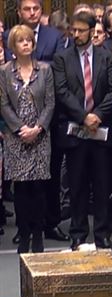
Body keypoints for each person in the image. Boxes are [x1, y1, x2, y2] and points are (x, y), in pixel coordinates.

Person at [52, 11, 112, 251]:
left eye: (81, 30)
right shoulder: (62, 58)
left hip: (101, 132)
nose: (76, 34)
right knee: (77, 185)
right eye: (74, 30)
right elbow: (62, 92)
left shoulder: (106, 57)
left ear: (92, 31)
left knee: (102, 186)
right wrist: (84, 117)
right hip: (75, 132)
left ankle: (102, 235)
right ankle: (78, 234)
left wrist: (98, 115)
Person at [0, 25, 54, 253]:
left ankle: (38, 233)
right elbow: (3, 104)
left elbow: (50, 102)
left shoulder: (44, 70)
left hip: (40, 136)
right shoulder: (4, 72)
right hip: (16, 138)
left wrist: (38, 128)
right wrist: (20, 128)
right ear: (13, 45)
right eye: (21, 41)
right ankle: (23, 234)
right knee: (21, 189)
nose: (26, 44)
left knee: (39, 187)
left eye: (29, 40)